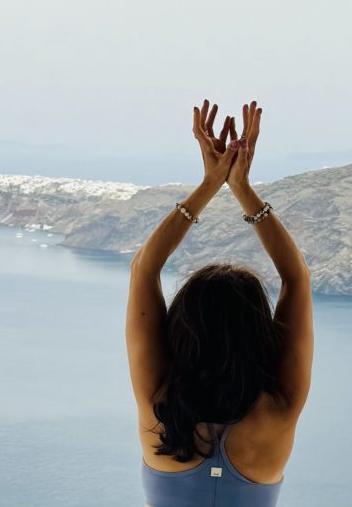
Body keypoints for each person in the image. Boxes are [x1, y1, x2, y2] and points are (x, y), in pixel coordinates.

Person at [126, 98, 314, 507]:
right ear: (260, 333)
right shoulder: (278, 412)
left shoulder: (159, 404)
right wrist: (242, 188)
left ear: (182, 326)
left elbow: (144, 269)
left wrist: (211, 183)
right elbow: (296, 279)